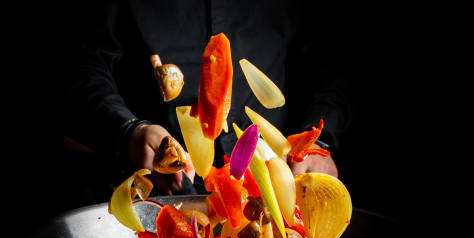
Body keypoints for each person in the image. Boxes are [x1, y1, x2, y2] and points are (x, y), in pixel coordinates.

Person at [68, 0, 354, 196]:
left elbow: (336, 60)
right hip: (151, 189)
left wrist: (320, 140)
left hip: (273, 188)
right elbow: (82, 63)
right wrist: (129, 130)